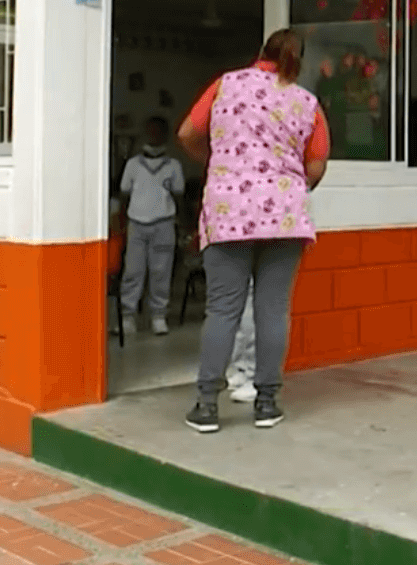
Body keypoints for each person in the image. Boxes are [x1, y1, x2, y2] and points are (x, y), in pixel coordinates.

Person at [177, 28, 330, 432]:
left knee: (223, 309)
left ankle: (207, 405)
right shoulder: (306, 102)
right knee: (273, 309)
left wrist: (218, 162)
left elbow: (188, 134)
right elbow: (315, 164)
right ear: (299, 62)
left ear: (260, 52)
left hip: (228, 212)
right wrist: (290, 185)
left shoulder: (226, 85)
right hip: (284, 215)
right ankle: (266, 402)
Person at [119, 116, 185, 336]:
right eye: (150, 131)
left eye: (158, 131)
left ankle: (158, 315)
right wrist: (123, 221)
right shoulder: (133, 164)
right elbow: (124, 194)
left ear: (165, 135)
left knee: (161, 271)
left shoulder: (173, 166)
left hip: (163, 224)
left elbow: (179, 196)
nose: (153, 135)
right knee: (133, 271)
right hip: (136, 224)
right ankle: (128, 315)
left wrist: (181, 225)